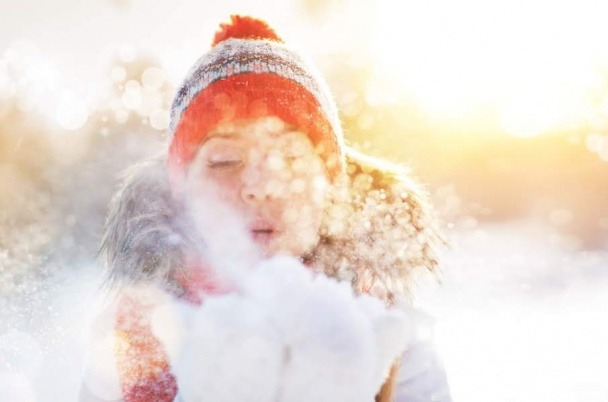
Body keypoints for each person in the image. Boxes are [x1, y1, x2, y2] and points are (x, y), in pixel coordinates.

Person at [83, 15, 451, 402]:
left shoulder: (388, 333)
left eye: (290, 158)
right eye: (225, 160)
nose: (260, 187)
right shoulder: (132, 342)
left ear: (328, 186)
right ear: (182, 192)